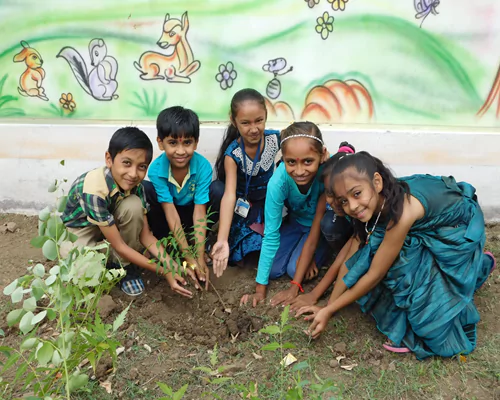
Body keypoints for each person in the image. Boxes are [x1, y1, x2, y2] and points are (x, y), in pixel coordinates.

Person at [297, 151, 496, 359]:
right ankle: (479, 267)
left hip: (458, 230)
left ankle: (468, 267)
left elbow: (375, 274)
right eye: (344, 201)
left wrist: (329, 310)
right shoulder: (376, 204)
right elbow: (352, 255)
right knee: (375, 249)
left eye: (356, 194)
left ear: (377, 182)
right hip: (431, 224)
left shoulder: (402, 212)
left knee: (401, 264)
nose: (352, 206)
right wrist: (328, 306)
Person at [62, 127, 193, 298]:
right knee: (84, 274)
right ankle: (101, 257)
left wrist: (171, 263)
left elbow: (146, 236)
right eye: (126, 163)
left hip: (109, 223)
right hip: (83, 228)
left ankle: (123, 266)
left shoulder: (136, 186)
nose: (133, 174)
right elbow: (120, 246)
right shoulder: (94, 190)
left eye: (141, 167)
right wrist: (163, 270)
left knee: (133, 205)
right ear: (109, 159)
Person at [241, 121, 342, 307]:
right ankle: (301, 250)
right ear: (283, 159)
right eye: (291, 162)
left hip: (322, 227)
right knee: (272, 270)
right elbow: (271, 234)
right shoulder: (278, 183)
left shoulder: (330, 173)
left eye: (308, 161)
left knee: (295, 269)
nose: (300, 171)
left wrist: (310, 257)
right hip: (297, 224)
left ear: (322, 155)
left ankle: (323, 251)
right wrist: (260, 289)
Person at [144, 106, 223, 291]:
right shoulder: (156, 169)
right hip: (168, 216)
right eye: (173, 143)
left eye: (187, 143)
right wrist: (189, 258)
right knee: (145, 190)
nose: (180, 151)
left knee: (219, 190)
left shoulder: (202, 166)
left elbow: (200, 210)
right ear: (161, 143)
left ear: (196, 143)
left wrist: (199, 254)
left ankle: (197, 242)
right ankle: (163, 244)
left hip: (191, 215)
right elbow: (169, 211)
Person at [270, 142, 355, 308]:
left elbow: (345, 255)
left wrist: (317, 295)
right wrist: (295, 286)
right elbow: (312, 238)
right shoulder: (324, 199)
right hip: (304, 226)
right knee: (281, 270)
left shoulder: (357, 208)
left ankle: (330, 249)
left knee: (331, 228)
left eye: (341, 196)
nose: (336, 201)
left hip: (353, 237)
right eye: (330, 193)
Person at [210, 88, 280, 277]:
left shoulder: (275, 139)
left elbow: (304, 140)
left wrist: (327, 154)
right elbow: (230, 195)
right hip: (244, 207)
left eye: (259, 120)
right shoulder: (233, 155)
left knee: (269, 246)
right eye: (245, 123)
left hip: (269, 204)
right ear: (234, 121)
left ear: (266, 116)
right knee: (245, 249)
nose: (254, 128)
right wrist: (222, 239)